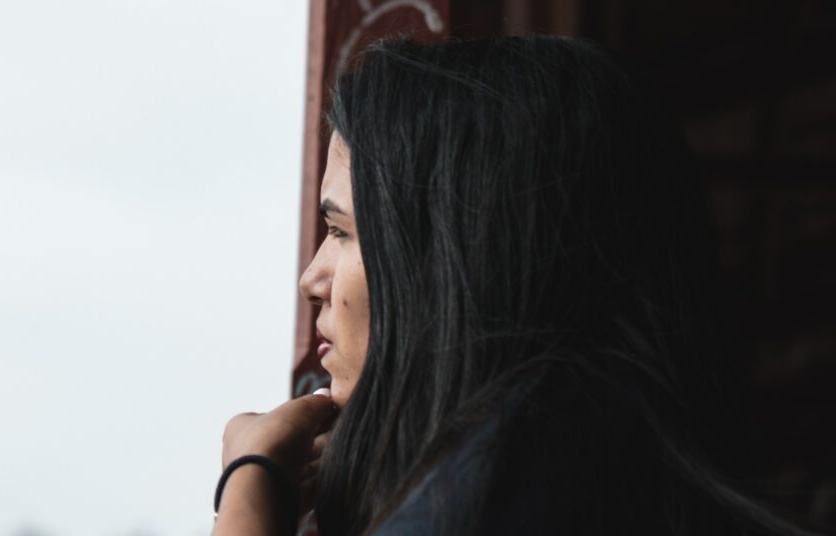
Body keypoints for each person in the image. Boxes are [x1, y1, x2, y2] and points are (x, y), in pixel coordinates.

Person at [213, 35, 821, 535]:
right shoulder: (606, 469)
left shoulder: (485, 498)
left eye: (342, 232)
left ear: (455, 256)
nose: (311, 278)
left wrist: (251, 478)